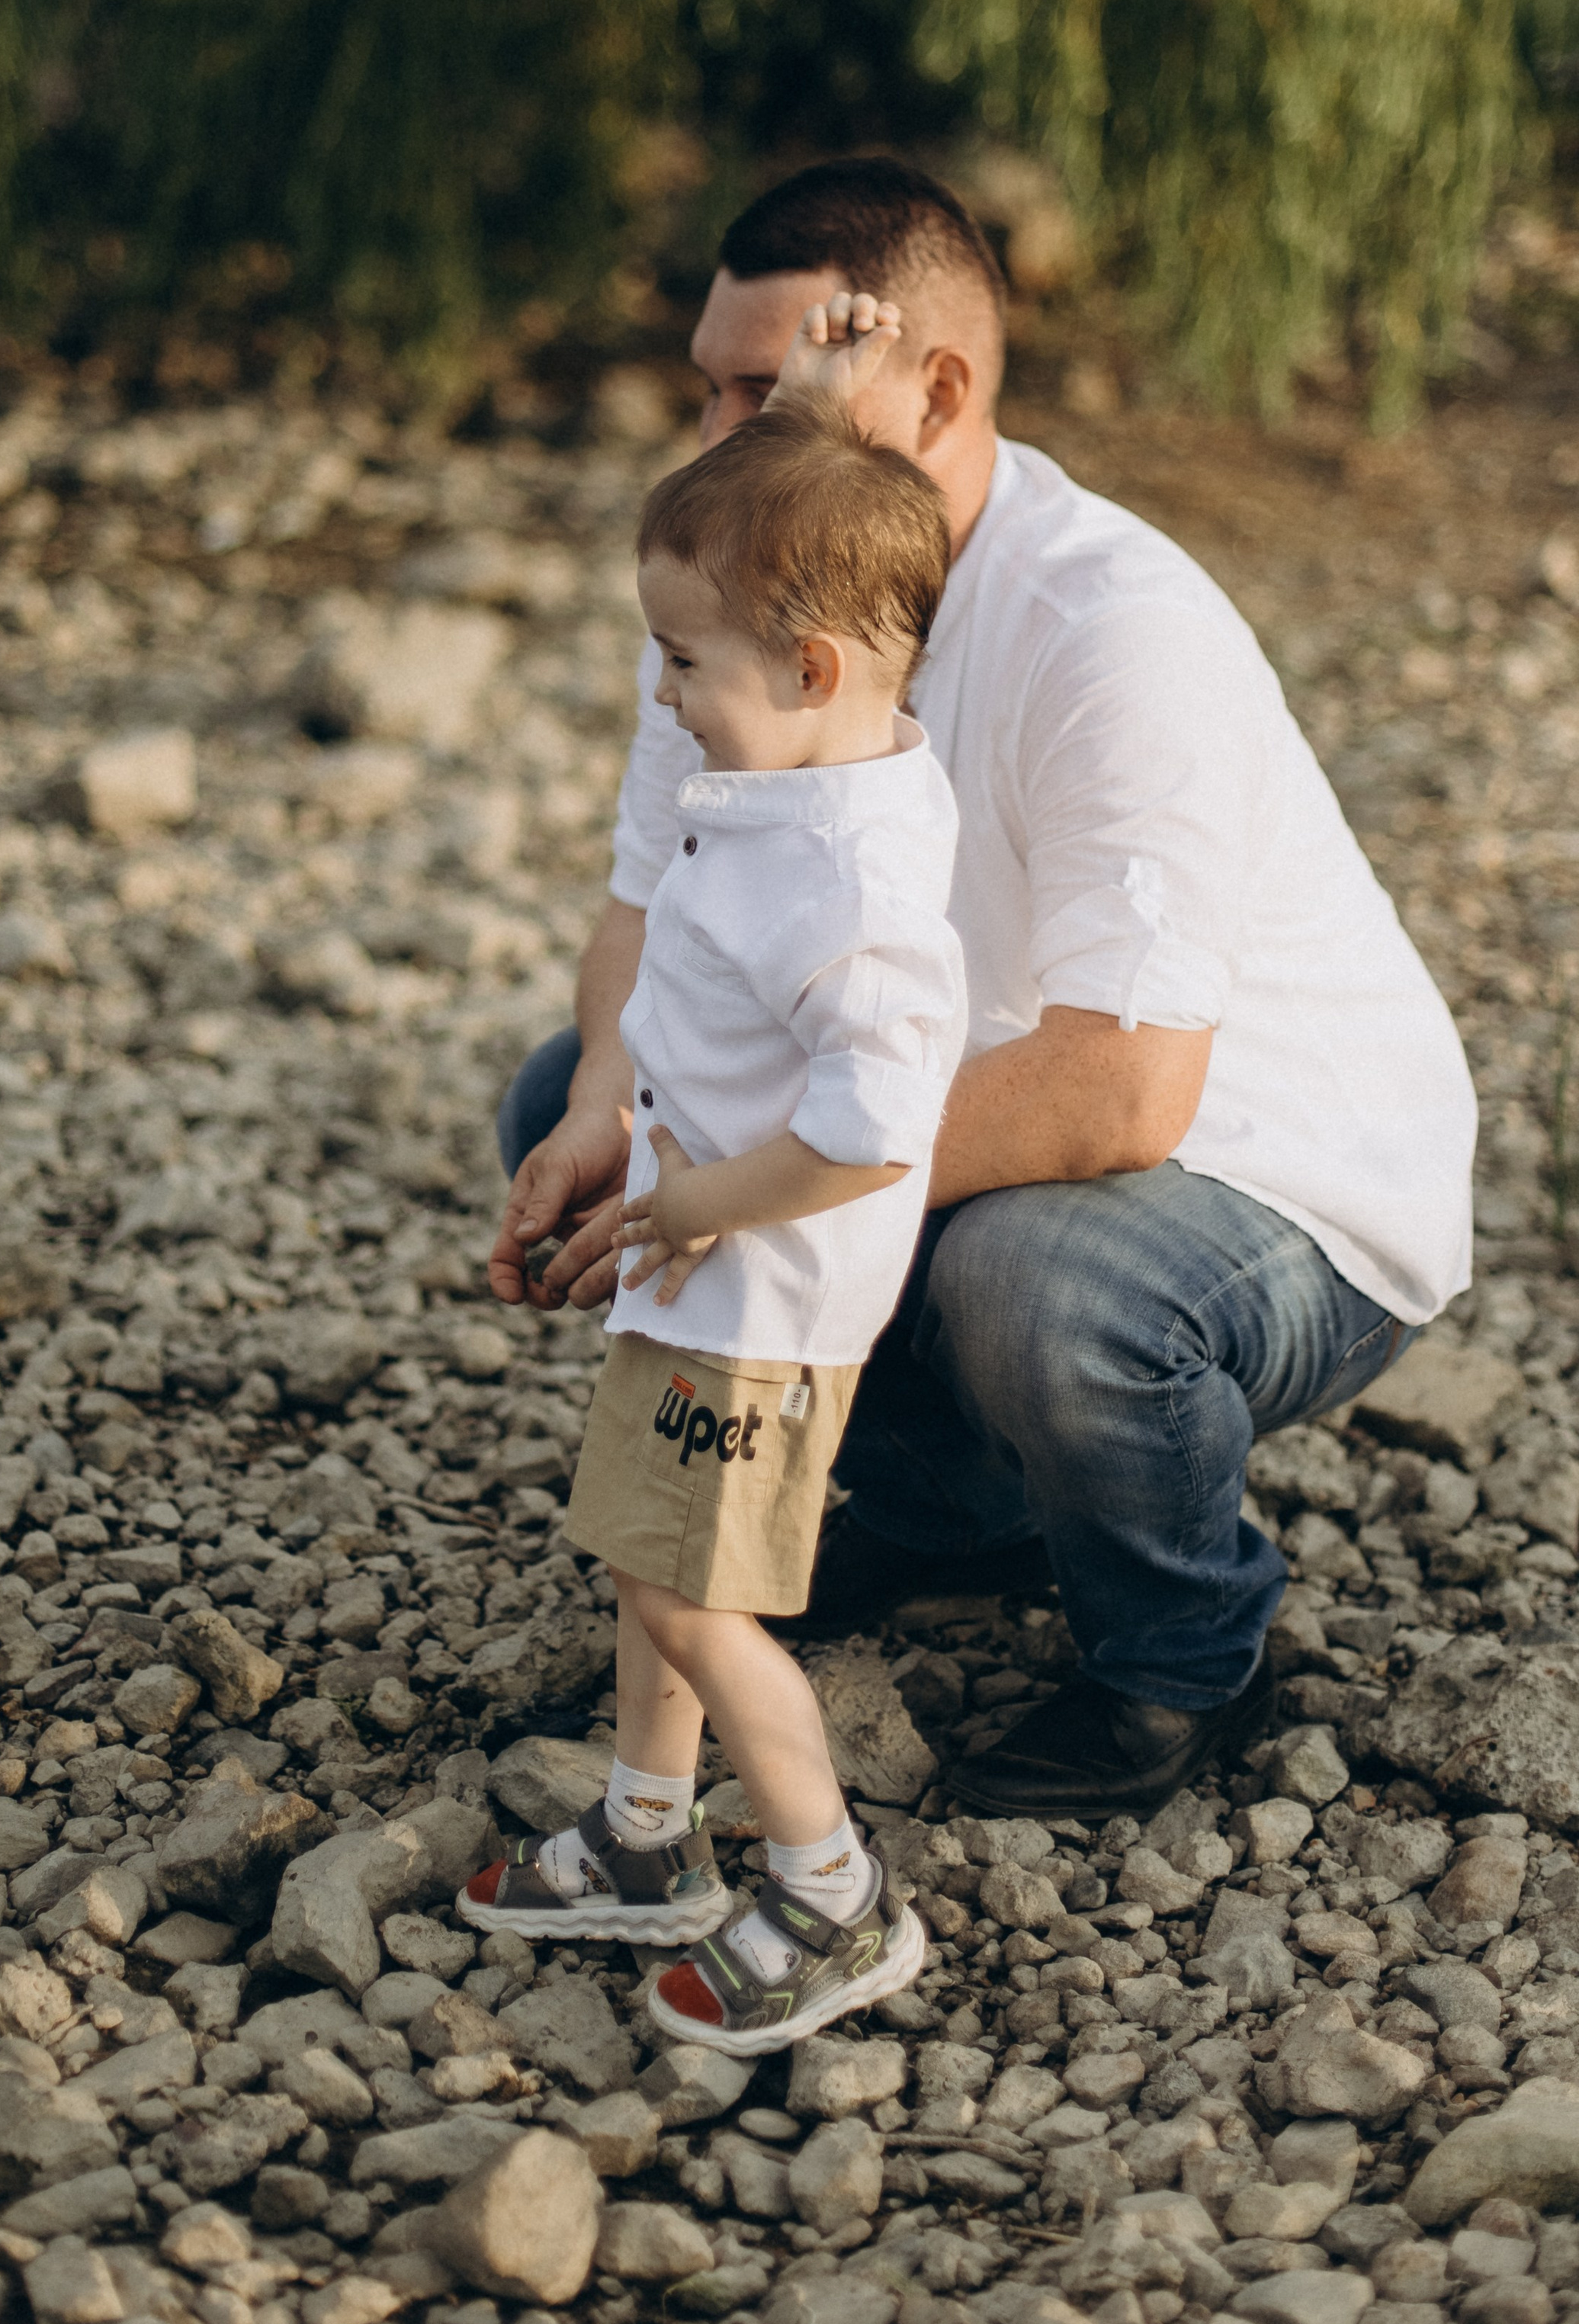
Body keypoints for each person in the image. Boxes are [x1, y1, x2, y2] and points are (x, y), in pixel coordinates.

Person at [490, 154, 1477, 1824]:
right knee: (563, 1095)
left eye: (773, 385)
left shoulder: (1114, 627)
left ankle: (1181, 1656)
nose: (723, 430)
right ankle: (949, 1512)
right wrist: (611, 1110)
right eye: (717, 389)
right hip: (941, 1099)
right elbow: (641, 906)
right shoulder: (756, 577)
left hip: (1267, 1168)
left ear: (932, 386)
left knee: (1040, 1284)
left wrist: (731, 1188)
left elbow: (1119, 1091)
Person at [457, 379, 969, 2052]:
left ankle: (829, 1887)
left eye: (683, 664)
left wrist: (693, 1207)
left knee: (689, 1590)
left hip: (757, 1301)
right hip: (699, 1274)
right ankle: (645, 1827)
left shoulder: (854, 880)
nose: (660, 697)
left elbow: (874, 1126)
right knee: (645, 1561)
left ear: (813, 671)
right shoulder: (796, 794)